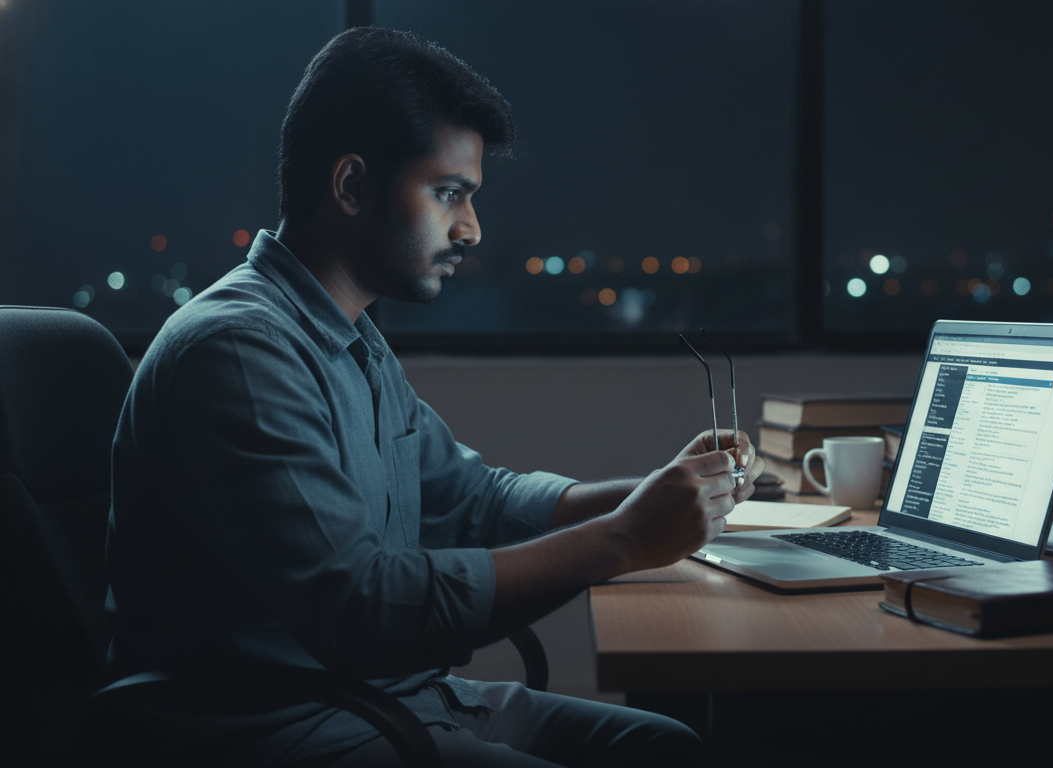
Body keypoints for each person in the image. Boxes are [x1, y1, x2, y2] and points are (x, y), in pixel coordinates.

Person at [105, 26, 764, 767]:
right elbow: (362, 607)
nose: (472, 228)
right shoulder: (236, 352)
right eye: (449, 193)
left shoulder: (350, 339)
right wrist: (626, 539)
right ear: (353, 185)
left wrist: (660, 497)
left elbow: (474, 498)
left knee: (667, 747)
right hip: (285, 727)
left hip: (398, 698)